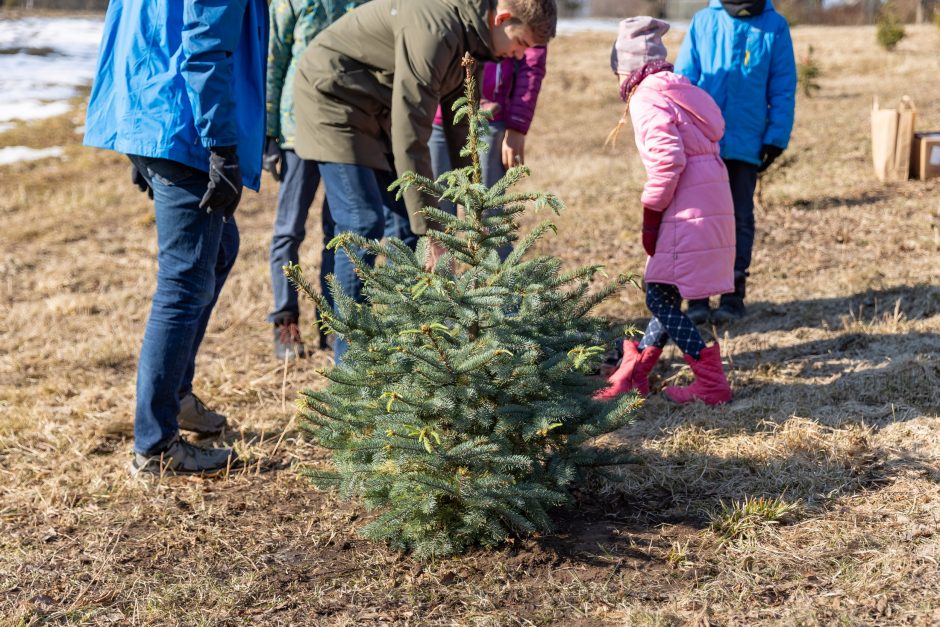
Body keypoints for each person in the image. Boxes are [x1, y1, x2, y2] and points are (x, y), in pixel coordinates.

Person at [292, 0, 558, 362]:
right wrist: (434, 230)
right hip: (333, 98)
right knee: (362, 222)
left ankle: (410, 344)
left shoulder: (474, 45)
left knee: (404, 225)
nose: (518, 54)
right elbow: (410, 135)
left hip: (375, 107)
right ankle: (349, 361)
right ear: (503, 18)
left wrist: (473, 204)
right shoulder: (437, 27)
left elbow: (460, 126)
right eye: (522, 42)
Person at [83, 0, 268, 474]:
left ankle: (176, 394)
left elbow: (136, 31)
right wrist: (220, 145)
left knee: (220, 249)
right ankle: (156, 445)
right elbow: (205, 47)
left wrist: (137, 139)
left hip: (153, 111)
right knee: (183, 284)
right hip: (184, 125)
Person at [596, 17, 734, 406]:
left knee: (659, 299)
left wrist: (651, 214)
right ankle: (636, 373)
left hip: (684, 211)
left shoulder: (645, 97)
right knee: (665, 294)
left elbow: (667, 161)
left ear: (625, 68)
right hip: (709, 204)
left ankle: (710, 382)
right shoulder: (682, 90)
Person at [674, 0, 797, 324]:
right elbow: (683, 81)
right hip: (702, 145)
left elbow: (783, 85)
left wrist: (776, 137)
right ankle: (697, 297)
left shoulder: (775, 27)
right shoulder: (704, 22)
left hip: (746, 143)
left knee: (739, 218)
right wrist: (680, 131)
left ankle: (733, 294)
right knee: (698, 219)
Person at [264, 0, 368, 361]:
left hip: (346, 129)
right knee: (289, 230)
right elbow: (274, 60)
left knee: (340, 230)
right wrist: (269, 132)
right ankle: (285, 321)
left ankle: (331, 321)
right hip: (297, 132)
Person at [429, 47, 548, 260]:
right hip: (438, 117)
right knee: (438, 219)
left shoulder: (523, 23)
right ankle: (439, 290)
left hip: (491, 118)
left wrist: (517, 125)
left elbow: (532, 59)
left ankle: (501, 286)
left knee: (489, 216)